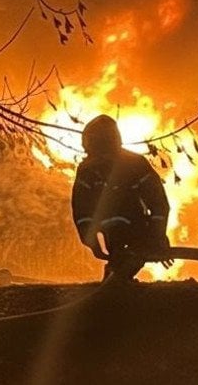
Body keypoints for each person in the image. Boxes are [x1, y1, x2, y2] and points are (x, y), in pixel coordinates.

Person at [71, 114, 171, 282]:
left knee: (123, 268)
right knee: (120, 269)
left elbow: (158, 204)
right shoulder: (87, 171)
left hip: (138, 231)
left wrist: (157, 236)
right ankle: (117, 277)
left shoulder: (136, 164)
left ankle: (118, 277)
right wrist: (92, 241)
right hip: (112, 235)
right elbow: (82, 211)